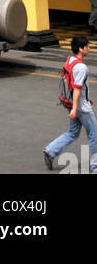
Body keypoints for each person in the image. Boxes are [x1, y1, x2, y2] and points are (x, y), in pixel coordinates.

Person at [44, 36, 97, 172]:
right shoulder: (81, 67)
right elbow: (77, 88)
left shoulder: (71, 60)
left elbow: (76, 87)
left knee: (73, 132)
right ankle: (95, 165)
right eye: (87, 46)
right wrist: (75, 109)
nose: (89, 48)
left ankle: (50, 151)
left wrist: (85, 99)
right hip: (81, 108)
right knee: (94, 135)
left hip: (74, 103)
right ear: (81, 49)